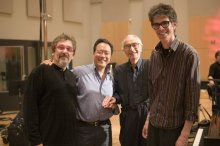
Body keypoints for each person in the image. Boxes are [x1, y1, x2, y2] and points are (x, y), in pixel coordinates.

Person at [142, 3, 200, 146]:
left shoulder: (189, 54)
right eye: (156, 25)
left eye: (165, 23)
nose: (160, 28)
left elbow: (192, 100)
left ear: (174, 24)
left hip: (175, 129)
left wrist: (185, 134)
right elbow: (153, 93)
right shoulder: (154, 54)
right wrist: (148, 120)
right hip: (154, 125)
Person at [23, 33, 78, 146]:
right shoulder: (40, 72)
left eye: (69, 49)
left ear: (73, 53)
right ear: (53, 50)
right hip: (47, 139)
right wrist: (36, 141)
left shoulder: (71, 76)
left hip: (70, 139)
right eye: (61, 47)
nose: (65, 51)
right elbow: (29, 108)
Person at [72, 38, 119, 146]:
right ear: (93, 53)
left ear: (110, 56)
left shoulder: (112, 78)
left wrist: (113, 106)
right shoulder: (79, 72)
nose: (103, 56)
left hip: (105, 128)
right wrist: (51, 64)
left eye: (106, 53)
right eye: (99, 52)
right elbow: (61, 76)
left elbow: (115, 102)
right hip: (84, 129)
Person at [113, 34, 149, 146]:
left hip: (147, 115)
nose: (131, 49)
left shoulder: (151, 65)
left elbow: (158, 92)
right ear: (124, 50)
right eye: (127, 46)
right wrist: (114, 99)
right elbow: (117, 93)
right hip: (128, 117)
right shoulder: (119, 70)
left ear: (141, 47)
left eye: (135, 45)